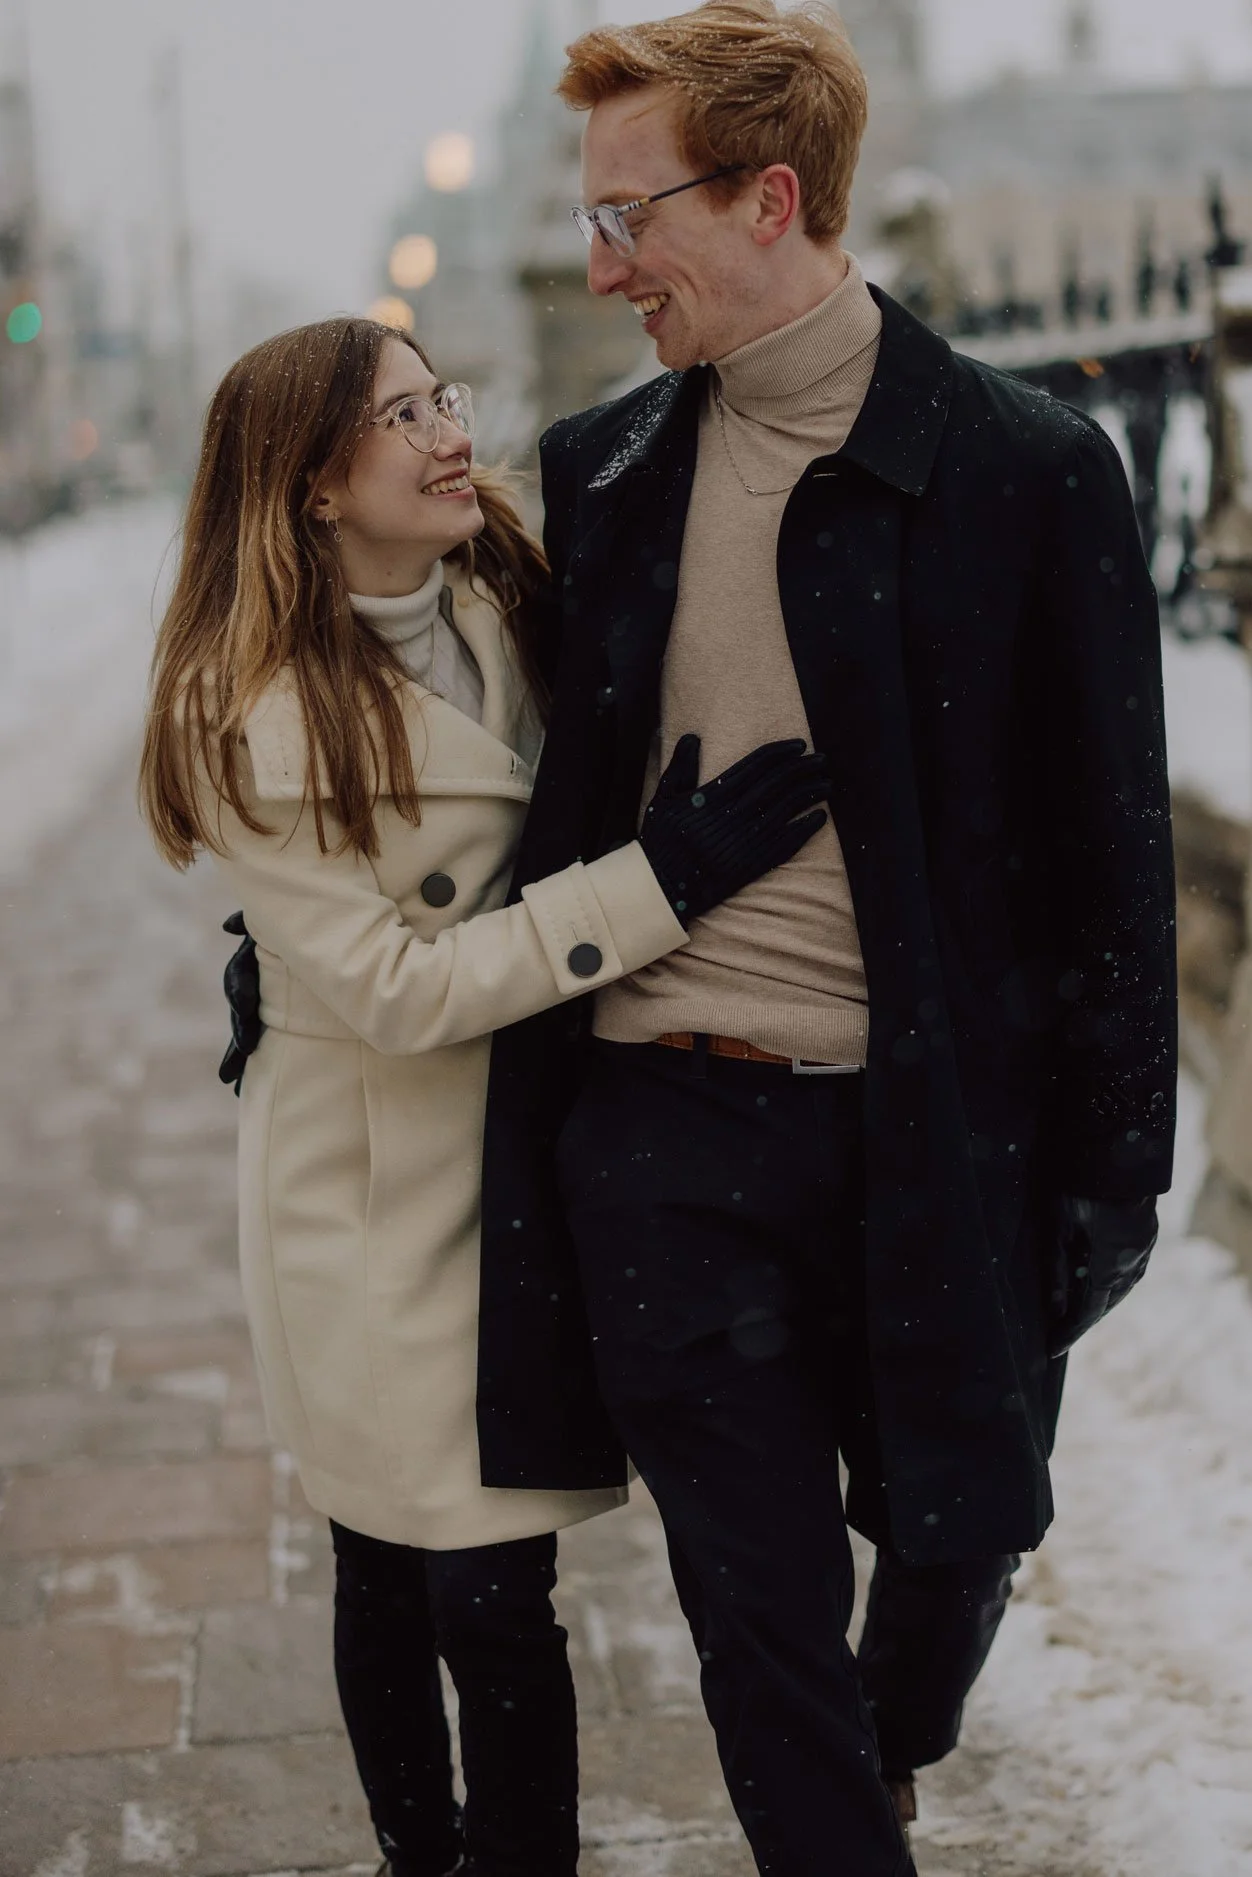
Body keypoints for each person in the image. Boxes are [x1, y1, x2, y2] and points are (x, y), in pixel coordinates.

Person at [467, 5, 1177, 1874]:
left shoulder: (1026, 469)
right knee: (759, 1619)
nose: (602, 268)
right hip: (665, 1137)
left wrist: (1114, 1176)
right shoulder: (605, 471)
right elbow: (514, 763)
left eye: (629, 219)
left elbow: (1114, 853)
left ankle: (893, 1744)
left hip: (935, 1132)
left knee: (954, 1550)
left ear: (771, 198)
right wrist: (337, 915)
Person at [137, 314, 829, 1877]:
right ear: (314, 485)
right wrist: (660, 886)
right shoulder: (247, 718)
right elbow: (397, 990)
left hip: (529, 1148)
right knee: (408, 1561)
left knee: (498, 1589)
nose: (452, 431)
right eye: (402, 416)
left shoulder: (514, 591)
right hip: (373, 1176)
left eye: (441, 396)